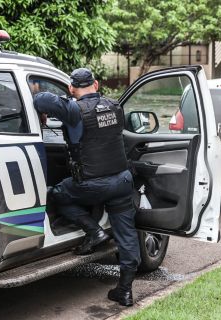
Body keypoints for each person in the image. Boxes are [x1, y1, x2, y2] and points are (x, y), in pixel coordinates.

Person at [33, 68, 141, 306]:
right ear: (96, 84)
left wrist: (58, 102)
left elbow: (41, 99)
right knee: (127, 236)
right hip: (122, 181)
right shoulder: (115, 106)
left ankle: (93, 231)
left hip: (91, 184)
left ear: (72, 88)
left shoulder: (73, 109)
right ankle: (125, 290)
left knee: (56, 194)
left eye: (71, 89)